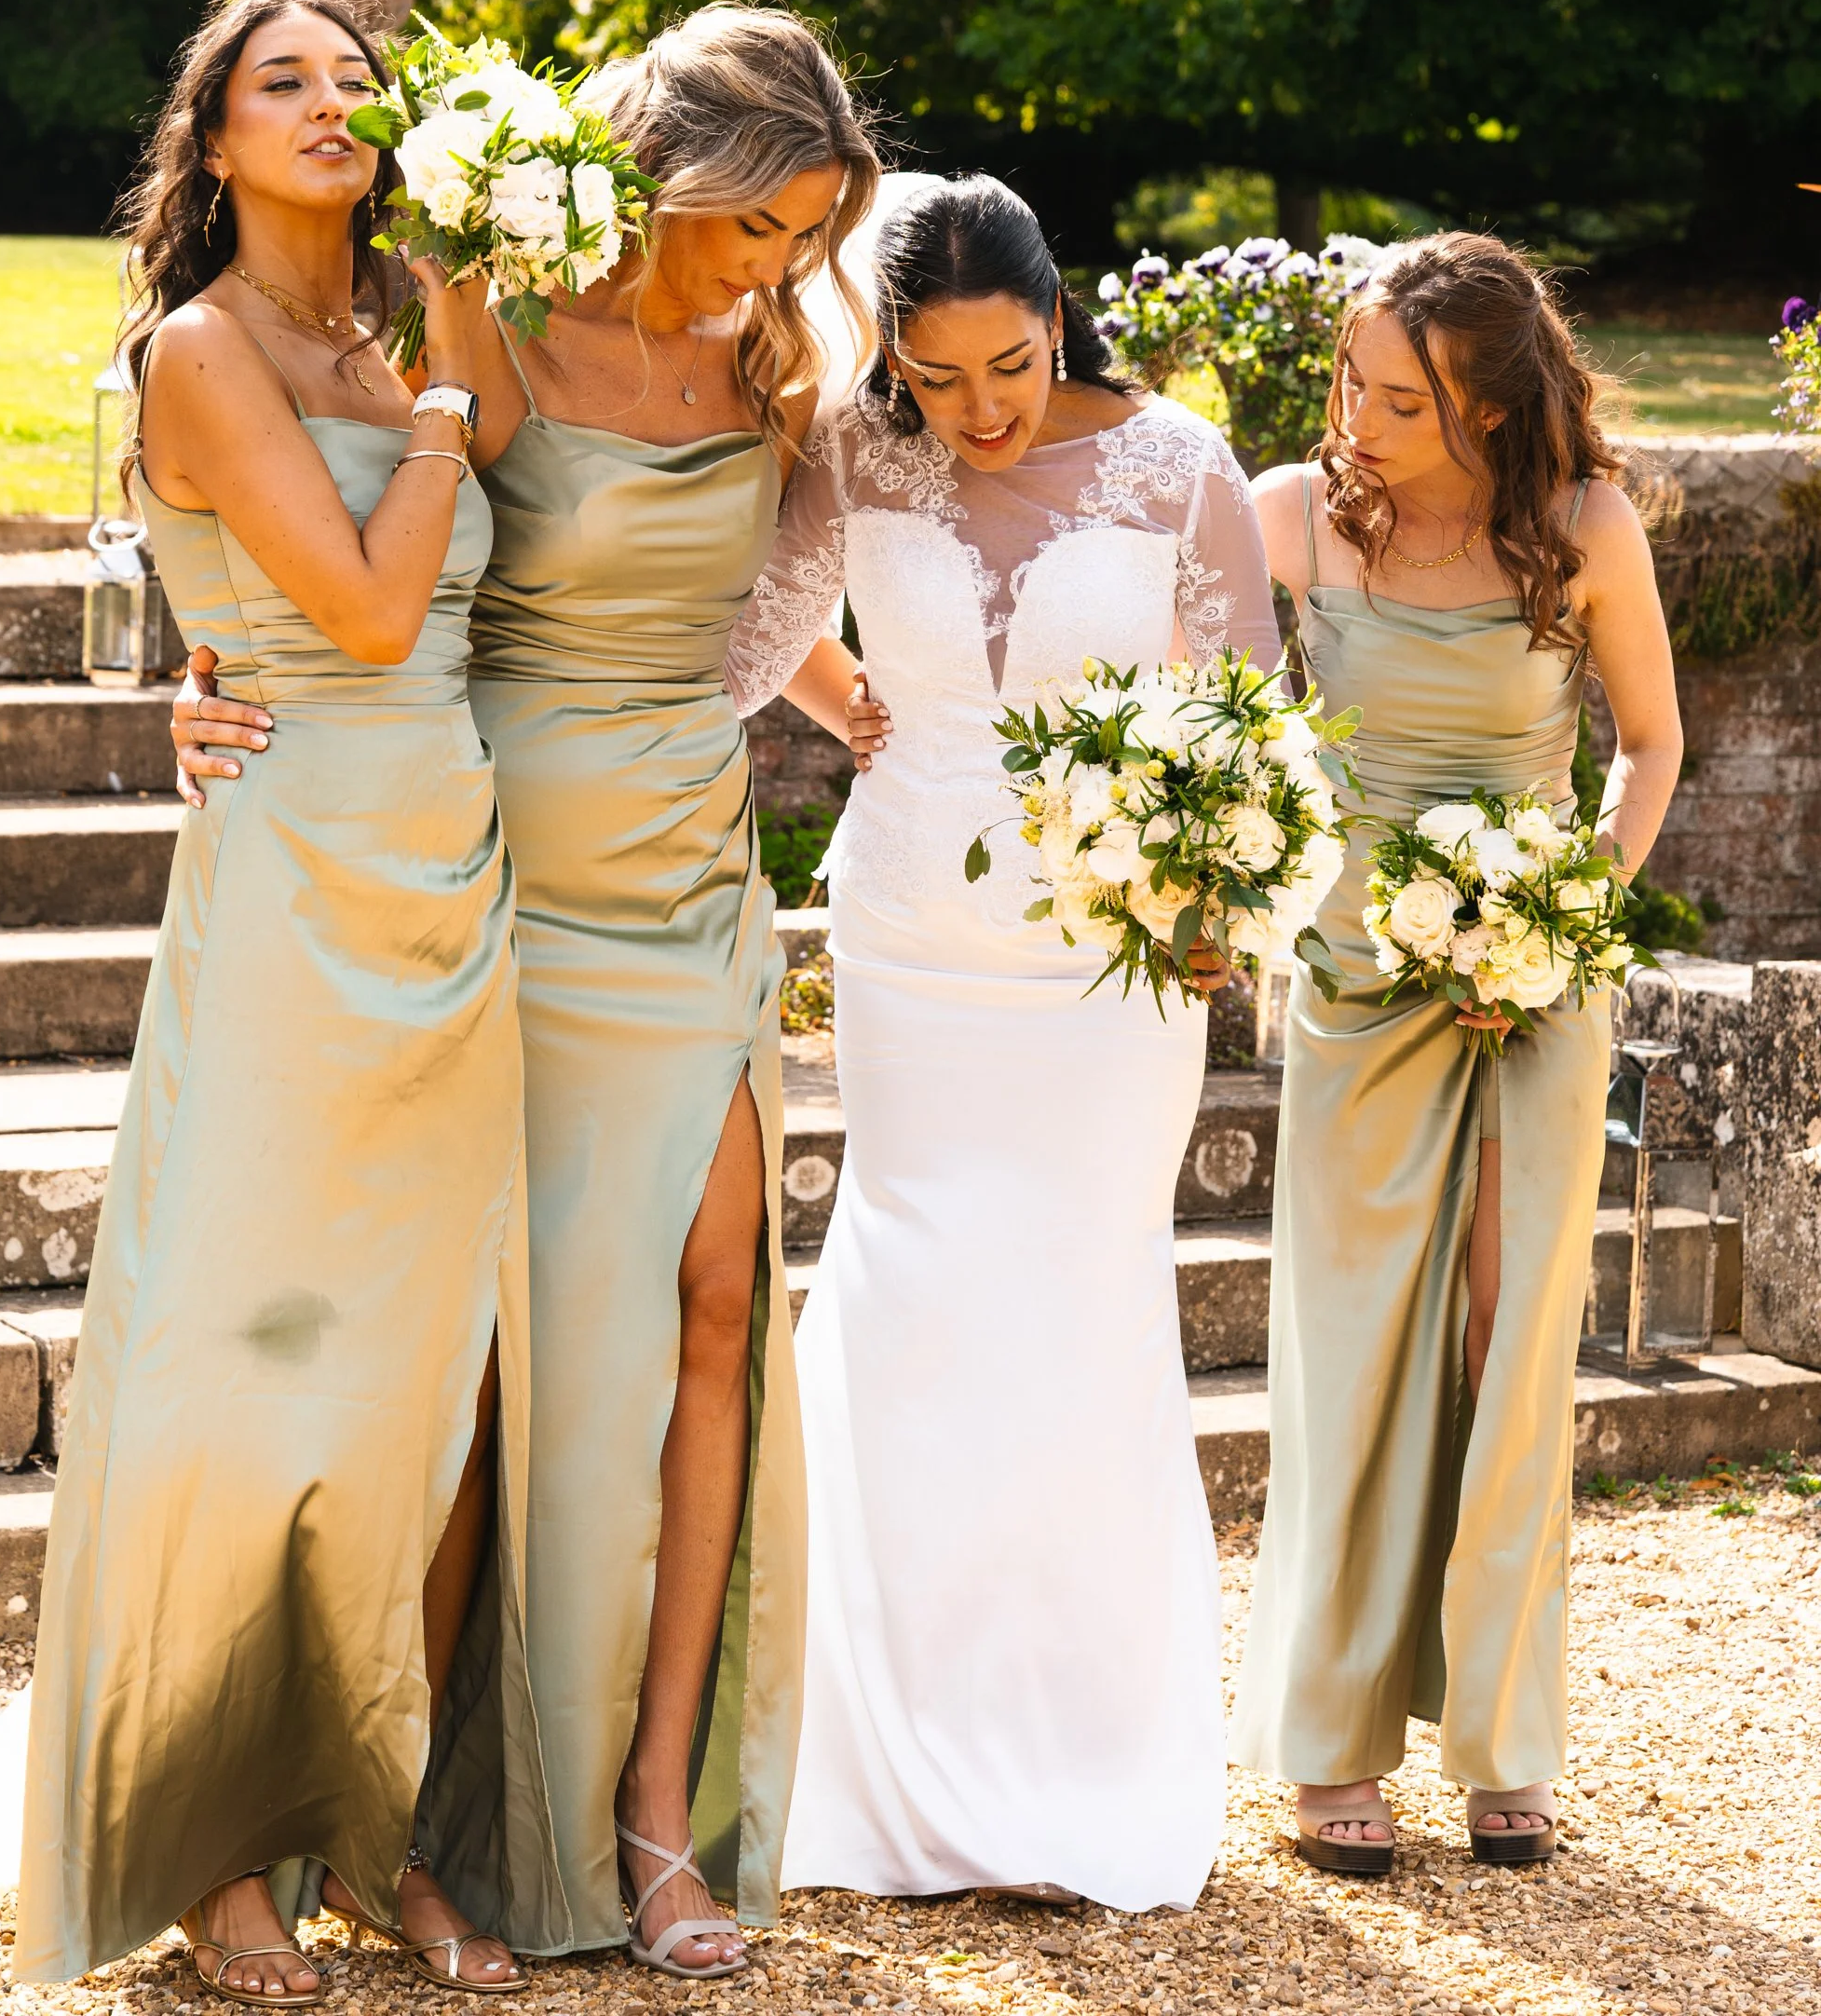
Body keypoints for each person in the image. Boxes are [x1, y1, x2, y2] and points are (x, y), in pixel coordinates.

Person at [171, 2, 881, 1981]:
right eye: (758, 227)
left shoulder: (778, 371)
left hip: (699, 877)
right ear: (675, 177)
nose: (779, 269)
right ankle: (439, 1818)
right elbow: (350, 560)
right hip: (512, 905)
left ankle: (656, 1810)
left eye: (809, 237)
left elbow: (859, 576)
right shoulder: (480, 317)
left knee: (725, 1304)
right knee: (521, 1384)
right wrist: (210, 688)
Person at [16, 0, 543, 1996]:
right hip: (296, 883)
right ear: (211, 139)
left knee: (421, 1379)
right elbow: (369, 600)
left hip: (456, 877)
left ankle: (377, 1825)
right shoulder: (209, 344)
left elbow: (519, 559)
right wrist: (427, 413)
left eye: (354, 78)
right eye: (281, 83)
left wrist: (457, 335)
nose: (332, 104)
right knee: (249, 1354)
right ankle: (212, 1842)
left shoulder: (425, 300)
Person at [721, 173, 1284, 1912]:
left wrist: (1218, 899)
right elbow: (738, 629)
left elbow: (1261, 722)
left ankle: (1080, 1748)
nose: (979, 413)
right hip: (910, 938)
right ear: (890, 356)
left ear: (1062, 317)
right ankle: (880, 1747)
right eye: (939, 376)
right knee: (910, 1291)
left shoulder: (1181, 467)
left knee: (1077, 1303)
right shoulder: (849, 451)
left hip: (1105, 974)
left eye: (1011, 368)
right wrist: (841, 695)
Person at [1230, 231, 1682, 1873]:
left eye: (1398, 396)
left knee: (1511, 1336)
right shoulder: (1291, 517)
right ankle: (1330, 1735)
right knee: (1350, 1351)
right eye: (1348, 377)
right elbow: (1201, 706)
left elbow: (1649, 747)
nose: (1356, 413)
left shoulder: (1581, 529)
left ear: (1486, 406)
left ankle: (1506, 1733)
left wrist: (1562, 922)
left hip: (1535, 986)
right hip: (1355, 985)